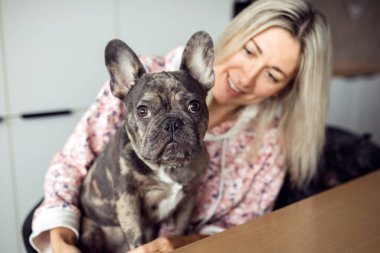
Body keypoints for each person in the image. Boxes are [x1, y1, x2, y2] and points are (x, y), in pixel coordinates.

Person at [28, 0, 332, 252]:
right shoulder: (141, 83)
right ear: (236, 35)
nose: (247, 76)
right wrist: (60, 240)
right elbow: (70, 163)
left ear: (285, 89)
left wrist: (181, 243)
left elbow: (244, 227)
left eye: (273, 75)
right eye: (250, 51)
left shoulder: (270, 142)